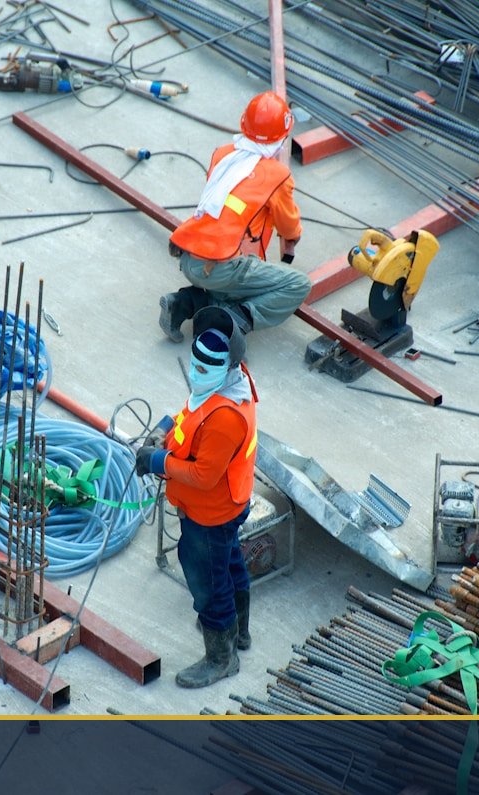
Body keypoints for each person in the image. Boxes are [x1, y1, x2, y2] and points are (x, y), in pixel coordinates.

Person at [135, 307, 258, 688]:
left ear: (228, 365)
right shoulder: (226, 384)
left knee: (208, 584)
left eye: (207, 369)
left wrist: (159, 460)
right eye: (195, 365)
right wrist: (165, 430)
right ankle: (238, 633)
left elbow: (204, 476)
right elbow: (191, 414)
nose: (197, 374)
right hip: (227, 507)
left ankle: (222, 658)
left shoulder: (226, 417)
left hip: (211, 513)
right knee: (230, 564)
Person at [160, 91, 311, 343]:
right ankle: (234, 320)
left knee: (235, 279)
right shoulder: (277, 175)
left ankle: (183, 303)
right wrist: (293, 237)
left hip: (188, 255)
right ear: (283, 137)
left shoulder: (223, 154)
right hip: (220, 267)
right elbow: (288, 225)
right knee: (297, 285)